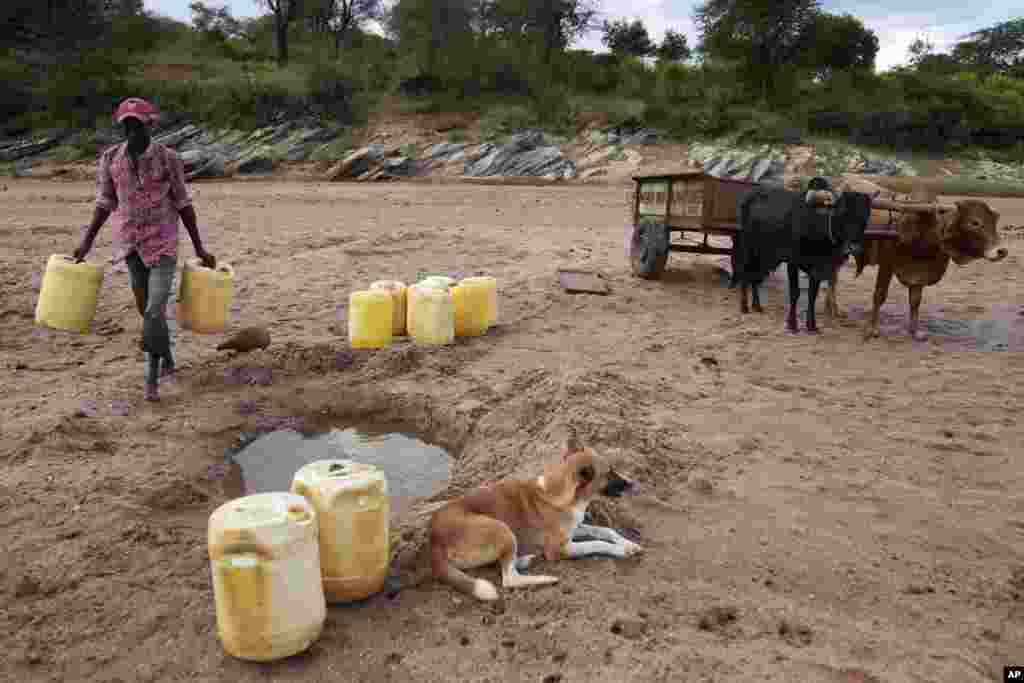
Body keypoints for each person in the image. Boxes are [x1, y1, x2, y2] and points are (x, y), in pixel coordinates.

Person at [72, 97, 216, 402]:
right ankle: (168, 357)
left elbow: (183, 204)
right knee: (147, 312)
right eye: (127, 125)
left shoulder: (168, 159)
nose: (132, 131)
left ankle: (151, 381)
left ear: (151, 125)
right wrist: (86, 242)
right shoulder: (111, 159)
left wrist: (200, 247)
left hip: (163, 244)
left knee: (153, 310)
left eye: (138, 125)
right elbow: (105, 203)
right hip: (130, 245)